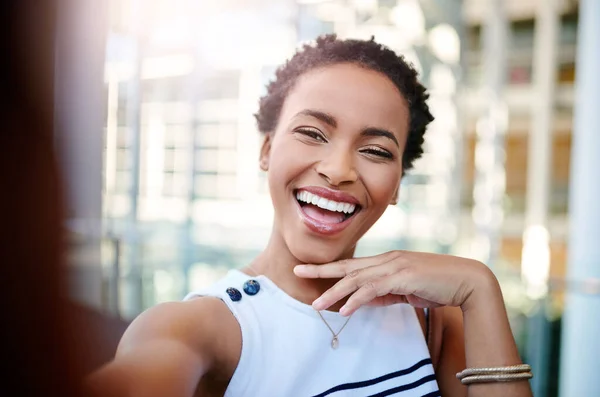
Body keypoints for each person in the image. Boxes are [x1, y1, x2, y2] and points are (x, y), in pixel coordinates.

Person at [87, 35, 533, 397]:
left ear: (397, 184)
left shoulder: (431, 318)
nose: (338, 170)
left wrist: (479, 286)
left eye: (376, 150)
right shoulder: (204, 327)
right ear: (266, 150)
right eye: (312, 132)